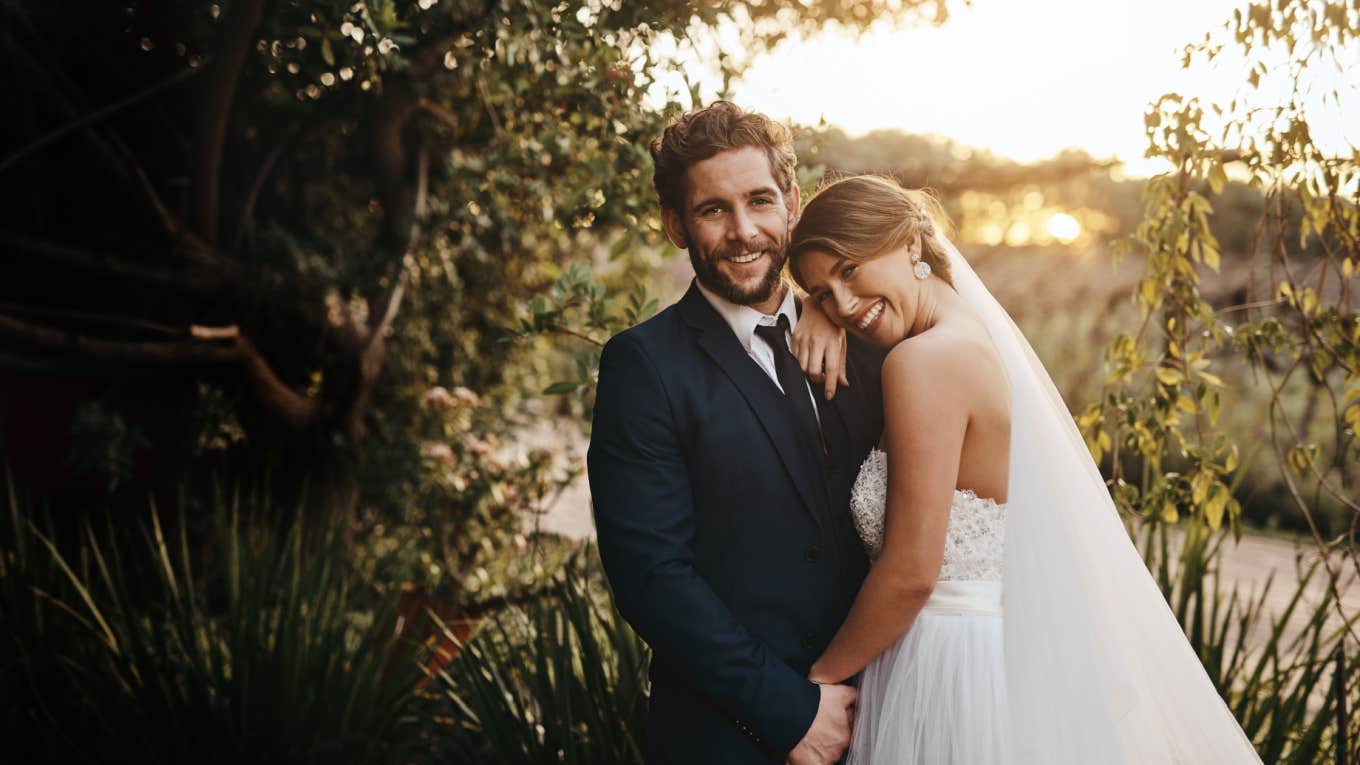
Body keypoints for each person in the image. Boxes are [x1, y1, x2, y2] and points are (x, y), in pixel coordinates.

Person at [787, 174, 1263, 763]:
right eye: (824, 291)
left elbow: (912, 570)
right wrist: (809, 308)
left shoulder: (921, 363)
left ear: (911, 244)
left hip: (937, 666)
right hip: (989, 655)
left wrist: (810, 691)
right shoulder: (971, 337)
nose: (845, 304)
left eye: (850, 270)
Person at [586, 102, 885, 764]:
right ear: (675, 224)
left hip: (889, 718)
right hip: (730, 738)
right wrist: (790, 711)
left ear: (793, 203)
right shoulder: (643, 366)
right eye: (713, 209)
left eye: (759, 200)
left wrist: (828, 306)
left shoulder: (865, 339)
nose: (743, 230)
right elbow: (653, 576)